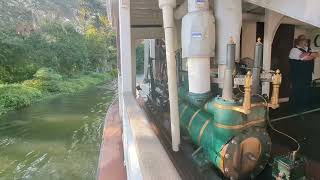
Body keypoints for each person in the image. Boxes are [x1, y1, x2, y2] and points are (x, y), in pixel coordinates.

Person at [289, 35, 319, 112]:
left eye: (306, 40)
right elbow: (305, 59)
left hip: (307, 76)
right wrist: (310, 54)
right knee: (297, 93)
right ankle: (295, 111)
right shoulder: (294, 50)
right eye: (304, 40)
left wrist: (308, 54)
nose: (306, 42)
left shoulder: (308, 49)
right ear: (299, 41)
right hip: (297, 77)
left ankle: (305, 110)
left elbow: (316, 54)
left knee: (306, 92)